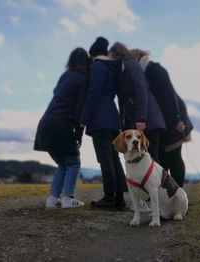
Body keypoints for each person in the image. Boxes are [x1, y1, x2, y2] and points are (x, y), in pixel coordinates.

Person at [34, 47, 90, 208]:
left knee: (63, 163)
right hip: (62, 124)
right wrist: (78, 136)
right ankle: (67, 199)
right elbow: (79, 110)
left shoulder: (64, 76)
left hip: (45, 123)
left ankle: (52, 199)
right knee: (73, 162)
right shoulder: (84, 78)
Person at [130, 49, 193, 187]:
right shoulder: (144, 71)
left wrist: (177, 119)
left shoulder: (154, 69)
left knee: (174, 156)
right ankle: (167, 192)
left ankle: (178, 193)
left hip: (174, 116)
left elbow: (169, 94)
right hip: (163, 118)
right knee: (163, 157)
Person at [80, 37, 128, 210]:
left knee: (105, 159)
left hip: (100, 118)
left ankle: (109, 198)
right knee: (114, 158)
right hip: (112, 116)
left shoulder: (98, 66)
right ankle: (120, 199)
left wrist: (84, 118)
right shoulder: (112, 67)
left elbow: (93, 93)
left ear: (93, 54)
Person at [109, 42, 166, 162]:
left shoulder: (130, 65)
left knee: (151, 161)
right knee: (145, 161)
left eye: (110, 54)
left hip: (147, 120)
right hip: (144, 119)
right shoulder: (125, 66)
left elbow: (140, 91)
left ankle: (156, 182)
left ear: (115, 53)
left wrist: (141, 118)